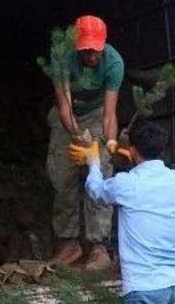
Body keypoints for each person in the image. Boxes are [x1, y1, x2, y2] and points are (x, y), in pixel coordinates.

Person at [68, 120, 175, 304]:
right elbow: (150, 193)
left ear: (133, 150)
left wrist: (93, 162)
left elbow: (97, 192)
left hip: (144, 289)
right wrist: (130, 162)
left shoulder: (126, 183)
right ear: (162, 149)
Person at [47, 15, 124, 270]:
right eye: (85, 50)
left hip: (96, 114)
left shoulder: (113, 63)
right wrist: (78, 136)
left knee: (99, 173)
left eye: (95, 50)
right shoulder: (61, 56)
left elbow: (109, 113)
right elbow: (65, 107)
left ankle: (99, 247)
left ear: (103, 44)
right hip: (67, 117)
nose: (91, 56)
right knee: (62, 176)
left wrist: (109, 142)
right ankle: (68, 244)